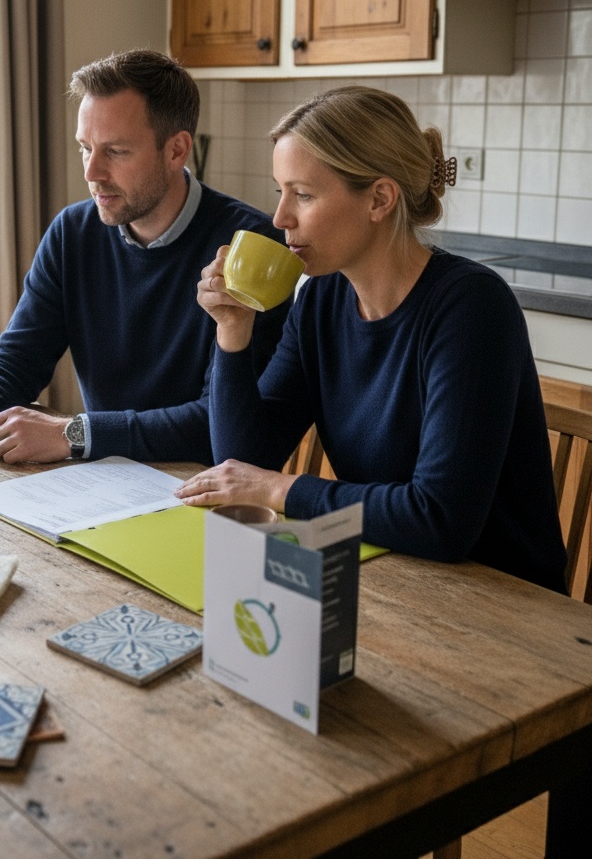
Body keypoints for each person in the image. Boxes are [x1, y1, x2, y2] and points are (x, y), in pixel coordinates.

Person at [173, 85, 581, 857]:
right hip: (394, 579)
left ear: (379, 199)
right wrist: (233, 334)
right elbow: (246, 454)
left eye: (301, 194)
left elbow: (441, 518)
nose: (279, 219)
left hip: (504, 621)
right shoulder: (322, 301)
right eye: (278, 193)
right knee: (236, 701)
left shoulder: (472, 309)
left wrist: (280, 491)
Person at [0, 49, 290, 465]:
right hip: (101, 476)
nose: (91, 172)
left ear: (176, 151)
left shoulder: (251, 248)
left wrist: (74, 434)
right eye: (85, 148)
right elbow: (20, 356)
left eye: (115, 152)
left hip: (204, 490)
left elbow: (221, 423)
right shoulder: (73, 232)